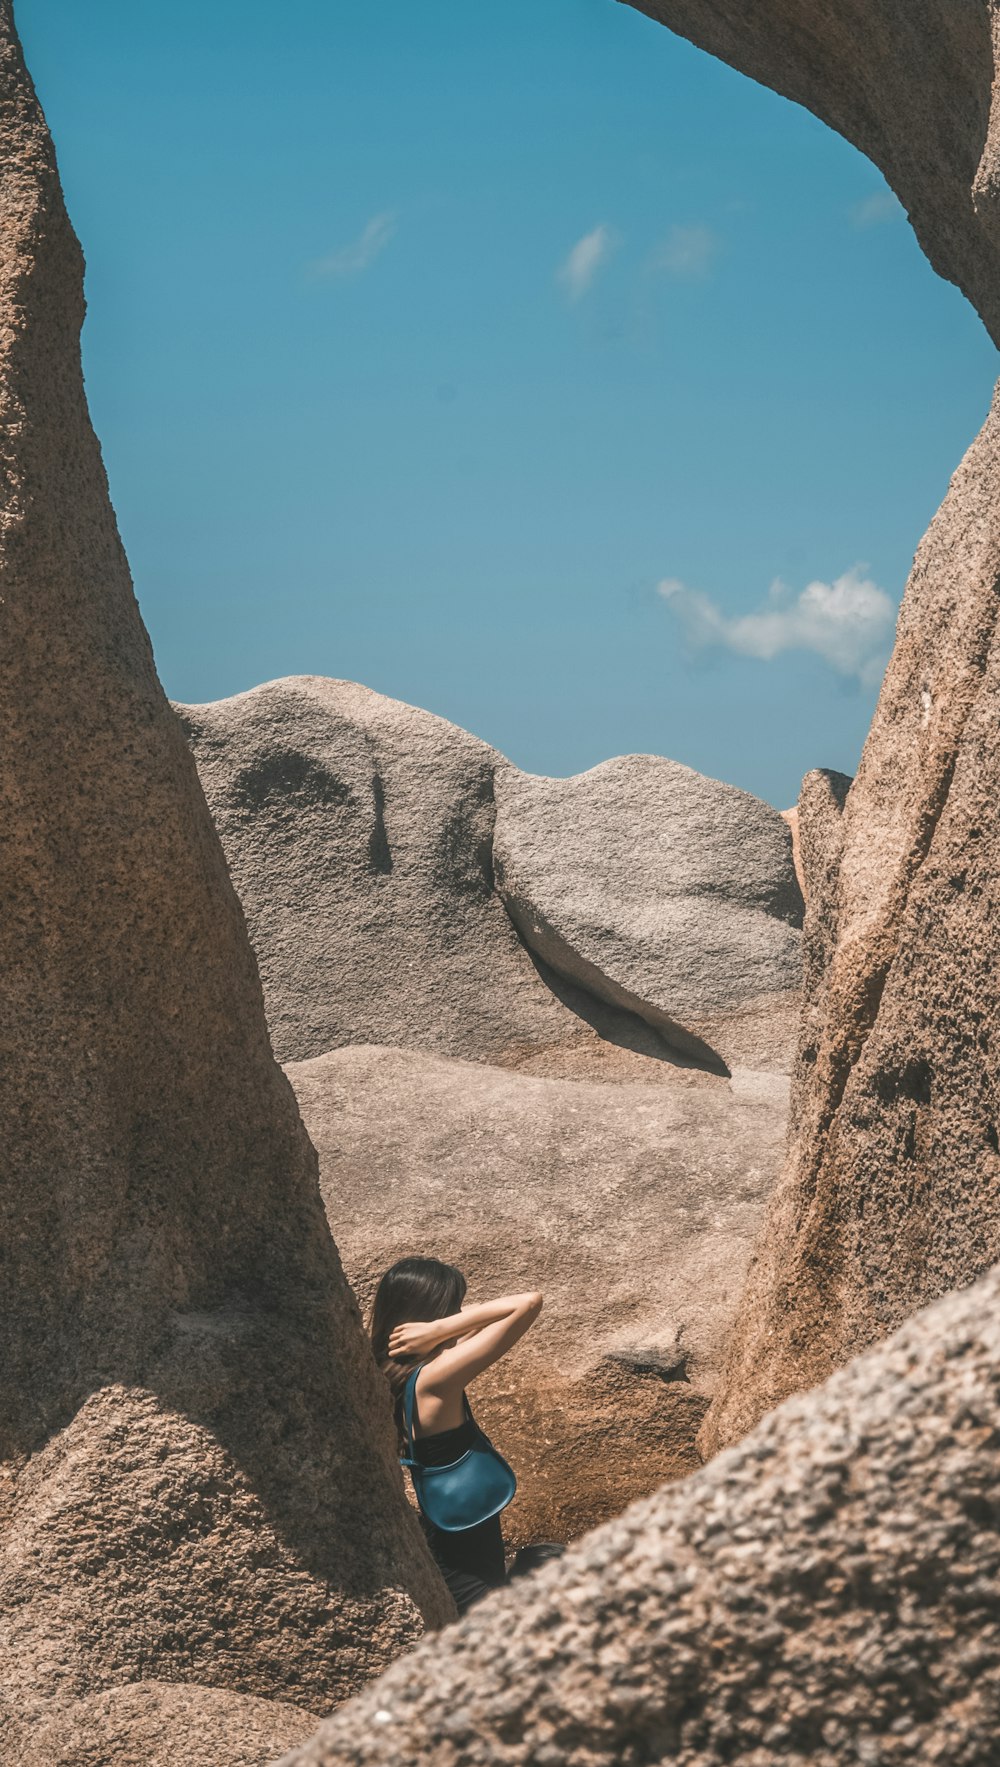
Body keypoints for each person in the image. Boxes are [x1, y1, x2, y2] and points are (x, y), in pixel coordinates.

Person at [370, 1256, 544, 1613]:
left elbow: (487, 1322)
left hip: (439, 1516)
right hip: (465, 1527)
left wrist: (439, 1329)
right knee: (488, 1614)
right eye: (453, 1309)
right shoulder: (435, 1377)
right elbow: (528, 1303)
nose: (459, 1315)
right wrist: (438, 1330)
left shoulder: (383, 1361)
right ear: (435, 1314)